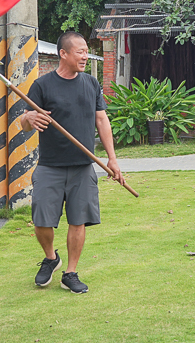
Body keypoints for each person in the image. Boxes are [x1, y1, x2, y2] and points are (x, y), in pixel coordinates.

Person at [22, 31, 123, 294]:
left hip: (82, 166)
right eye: (79, 51)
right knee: (42, 219)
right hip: (50, 166)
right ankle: (51, 258)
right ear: (63, 54)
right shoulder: (42, 86)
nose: (85, 56)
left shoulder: (91, 84)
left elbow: (101, 120)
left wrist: (112, 159)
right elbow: (23, 122)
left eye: (86, 51)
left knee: (78, 220)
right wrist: (29, 119)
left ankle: (71, 272)